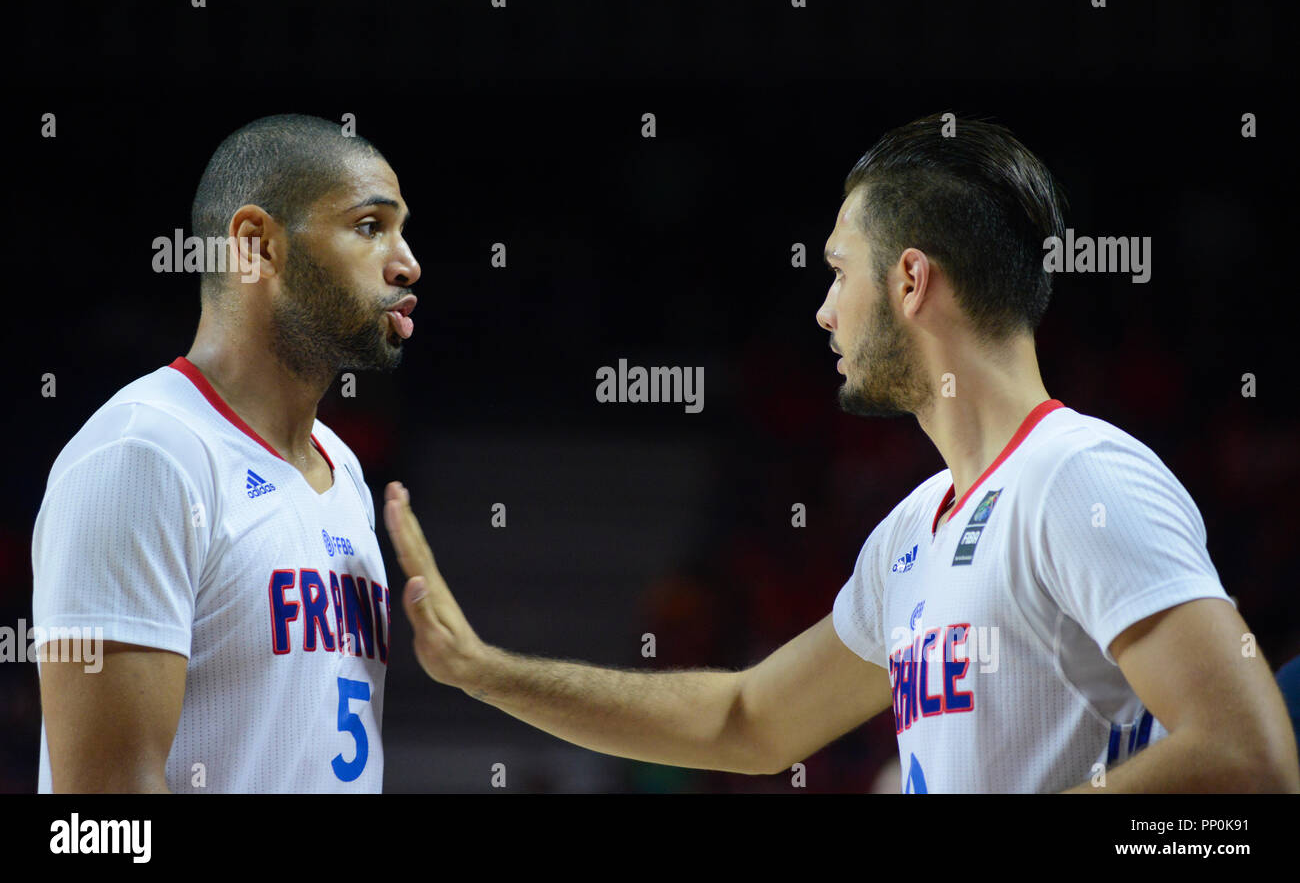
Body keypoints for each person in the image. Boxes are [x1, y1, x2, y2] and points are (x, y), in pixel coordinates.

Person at [383, 114, 1299, 793]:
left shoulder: (1079, 478)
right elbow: (747, 720)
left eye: (837, 270)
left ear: (909, 279)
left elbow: (1247, 755)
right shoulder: (911, 529)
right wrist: (485, 673)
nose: (823, 310)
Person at [32, 114, 421, 792]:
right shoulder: (144, 456)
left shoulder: (344, 469)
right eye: (370, 227)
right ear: (257, 245)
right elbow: (101, 816)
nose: (406, 262)